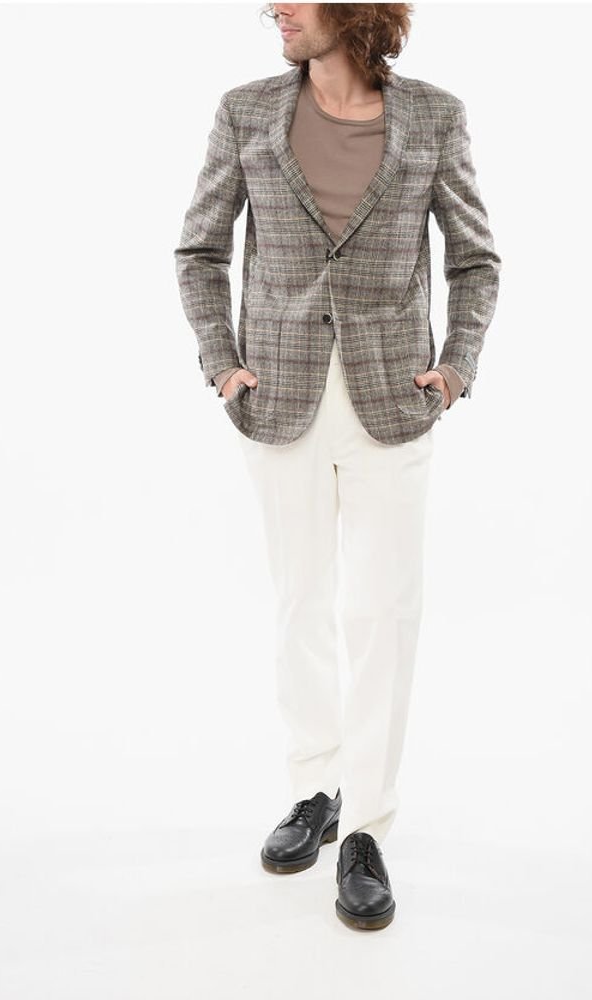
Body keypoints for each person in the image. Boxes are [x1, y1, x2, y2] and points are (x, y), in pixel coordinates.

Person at [173, 2, 501, 931]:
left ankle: (365, 827)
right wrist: (221, 361)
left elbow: (474, 260)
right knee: (301, 601)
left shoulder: (434, 117)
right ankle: (315, 790)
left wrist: (457, 367)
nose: (274, 8)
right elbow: (200, 249)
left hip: (393, 399)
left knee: (384, 613)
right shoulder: (245, 111)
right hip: (276, 398)